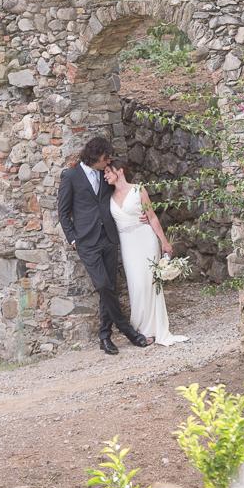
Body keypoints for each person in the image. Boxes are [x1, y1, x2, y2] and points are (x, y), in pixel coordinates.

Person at [57, 136, 149, 355]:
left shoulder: (104, 174)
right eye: (105, 159)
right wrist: (73, 239)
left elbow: (122, 194)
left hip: (108, 238)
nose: (107, 163)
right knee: (103, 286)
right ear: (95, 157)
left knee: (110, 287)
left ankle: (105, 337)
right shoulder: (70, 176)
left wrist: (140, 216)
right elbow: (62, 212)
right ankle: (127, 330)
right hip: (86, 242)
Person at [104, 159, 188, 347]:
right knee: (136, 284)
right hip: (127, 243)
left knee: (150, 283)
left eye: (108, 172)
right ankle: (141, 329)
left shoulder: (138, 190)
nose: (105, 175)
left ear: (120, 171)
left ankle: (153, 330)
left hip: (145, 238)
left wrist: (164, 241)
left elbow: (151, 216)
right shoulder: (107, 196)